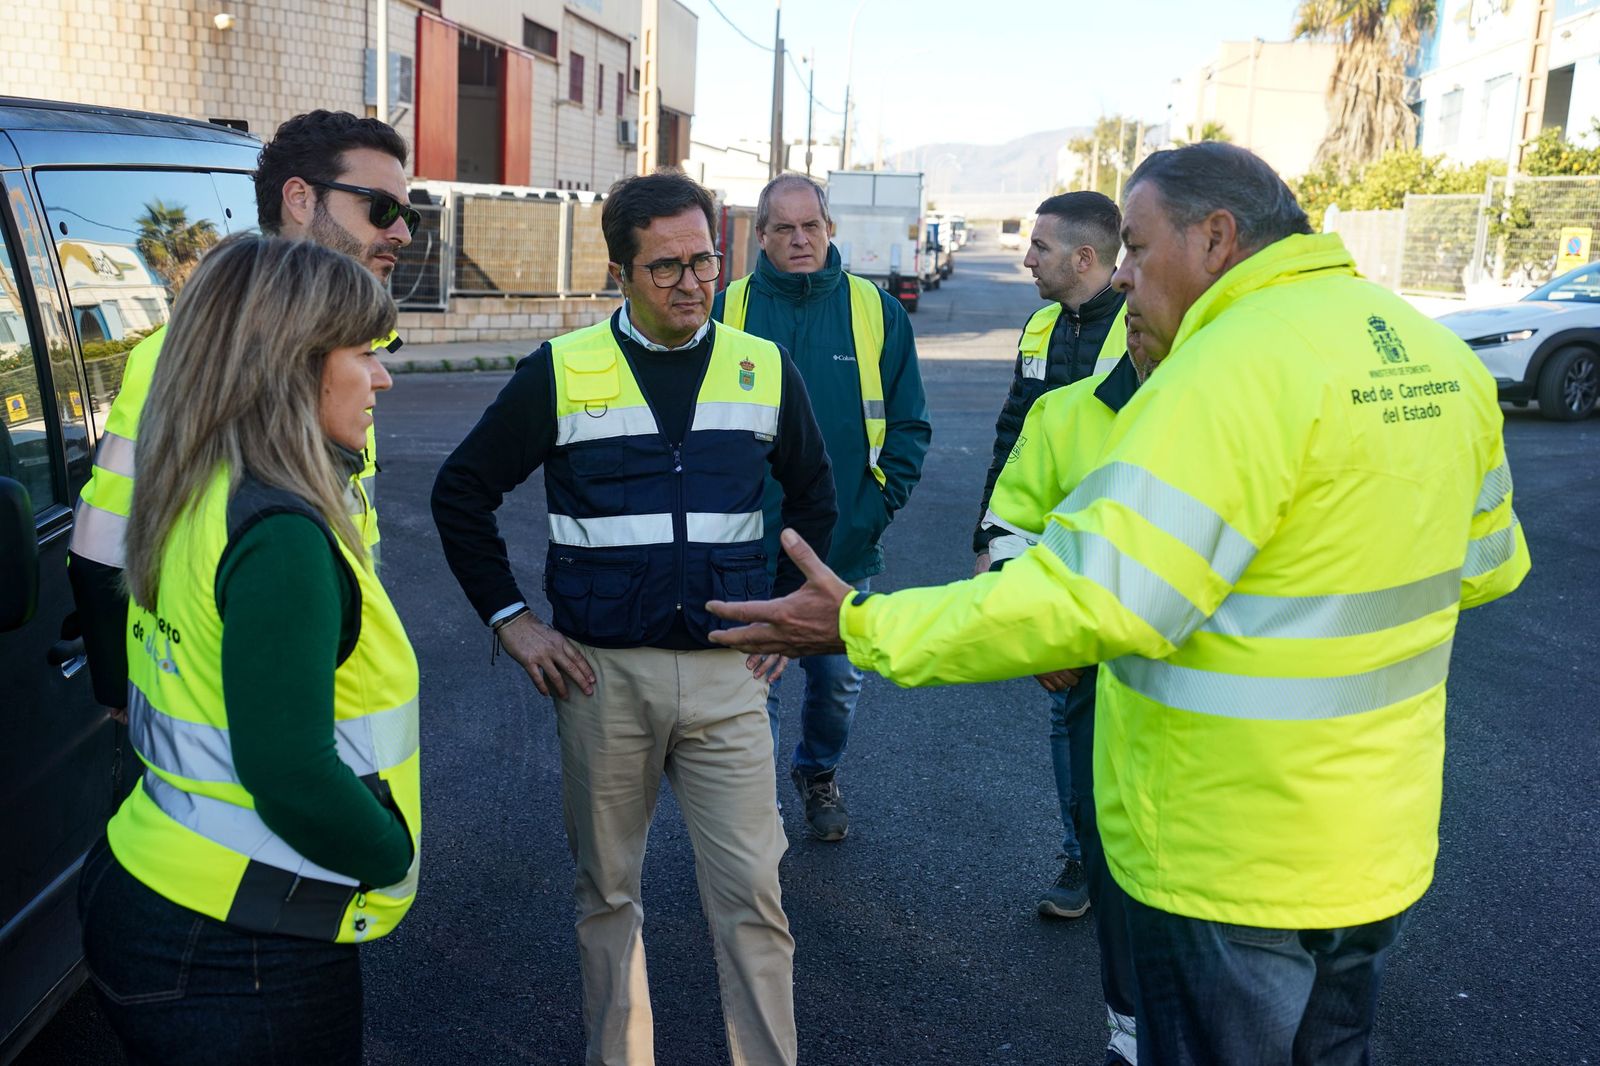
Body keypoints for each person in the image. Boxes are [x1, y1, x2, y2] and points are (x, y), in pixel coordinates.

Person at [707, 143, 1531, 1063]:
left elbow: (1093, 599)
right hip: (1378, 839)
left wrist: (863, 624)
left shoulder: (1225, 372)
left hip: (1231, 852)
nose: (1125, 276)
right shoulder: (1427, 350)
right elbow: (1490, 564)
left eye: (1136, 247)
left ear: (1215, 238)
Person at [431, 170, 836, 1066]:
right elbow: (461, 491)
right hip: (602, 678)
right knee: (608, 895)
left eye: (704, 260)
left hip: (732, 675)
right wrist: (513, 623)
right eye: (666, 269)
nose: (692, 283)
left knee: (755, 899)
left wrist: (785, 618)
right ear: (619, 272)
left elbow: (814, 494)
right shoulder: (564, 371)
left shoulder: (761, 366)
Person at [78, 235, 418, 1066]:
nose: (384, 377)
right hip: (241, 942)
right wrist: (389, 853)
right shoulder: (282, 535)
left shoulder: (197, 484)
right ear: (294, 364)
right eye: (364, 354)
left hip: (151, 880)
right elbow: (290, 775)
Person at [68, 109, 417, 719]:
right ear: (301, 200)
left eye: (407, 215)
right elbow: (105, 535)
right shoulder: (189, 357)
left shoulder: (336, 353)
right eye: (382, 209)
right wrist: (125, 688)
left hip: (329, 660)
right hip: (245, 692)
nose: (403, 234)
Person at [713, 173, 930, 841]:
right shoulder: (731, 309)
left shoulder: (875, 311)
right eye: (783, 228)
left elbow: (909, 426)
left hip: (845, 546)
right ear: (763, 236)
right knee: (757, 688)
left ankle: (818, 771)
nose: (799, 239)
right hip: (751, 545)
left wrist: (875, 508)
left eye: (811, 225)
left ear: (830, 228)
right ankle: (760, 813)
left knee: (837, 684)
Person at [982, 327, 1156, 1063]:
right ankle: (1129, 1027)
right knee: (1111, 852)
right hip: (1100, 685)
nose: (1126, 280)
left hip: (1225, 709)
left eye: (1140, 258)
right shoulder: (1065, 412)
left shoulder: (1249, 399)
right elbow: (1009, 527)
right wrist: (1040, 629)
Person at [972, 190, 1124, 917]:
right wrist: (990, 540)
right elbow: (1012, 434)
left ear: (1084, 258)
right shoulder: (1038, 325)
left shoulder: (1149, 325)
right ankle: (1081, 857)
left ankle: (1125, 855)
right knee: (1065, 706)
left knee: (1128, 712)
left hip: (1131, 556)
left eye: (1039, 247)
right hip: (1050, 558)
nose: (1026, 257)